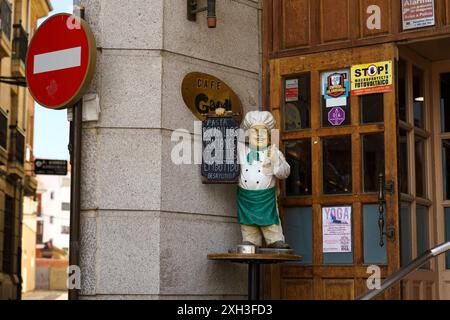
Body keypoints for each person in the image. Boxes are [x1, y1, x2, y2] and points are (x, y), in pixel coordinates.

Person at [237, 111, 291, 249]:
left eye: (263, 132)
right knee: (247, 223)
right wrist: (221, 118)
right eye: (255, 131)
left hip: (266, 197)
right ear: (248, 134)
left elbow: (284, 173)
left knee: (271, 222)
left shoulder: (273, 151)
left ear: (268, 135)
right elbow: (224, 144)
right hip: (246, 197)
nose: (259, 135)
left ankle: (275, 240)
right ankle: (250, 240)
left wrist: (275, 160)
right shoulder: (241, 150)